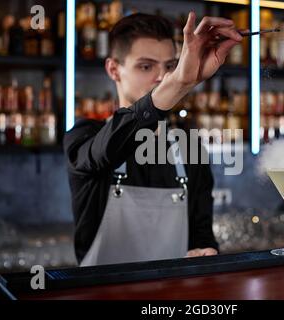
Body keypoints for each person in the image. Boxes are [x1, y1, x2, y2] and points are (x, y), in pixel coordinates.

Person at [64, 11, 244, 266]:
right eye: (146, 66)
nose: (162, 77)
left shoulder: (189, 147)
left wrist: (203, 255)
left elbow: (202, 237)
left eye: (170, 66)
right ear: (113, 69)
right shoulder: (83, 137)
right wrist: (178, 84)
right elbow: (105, 151)